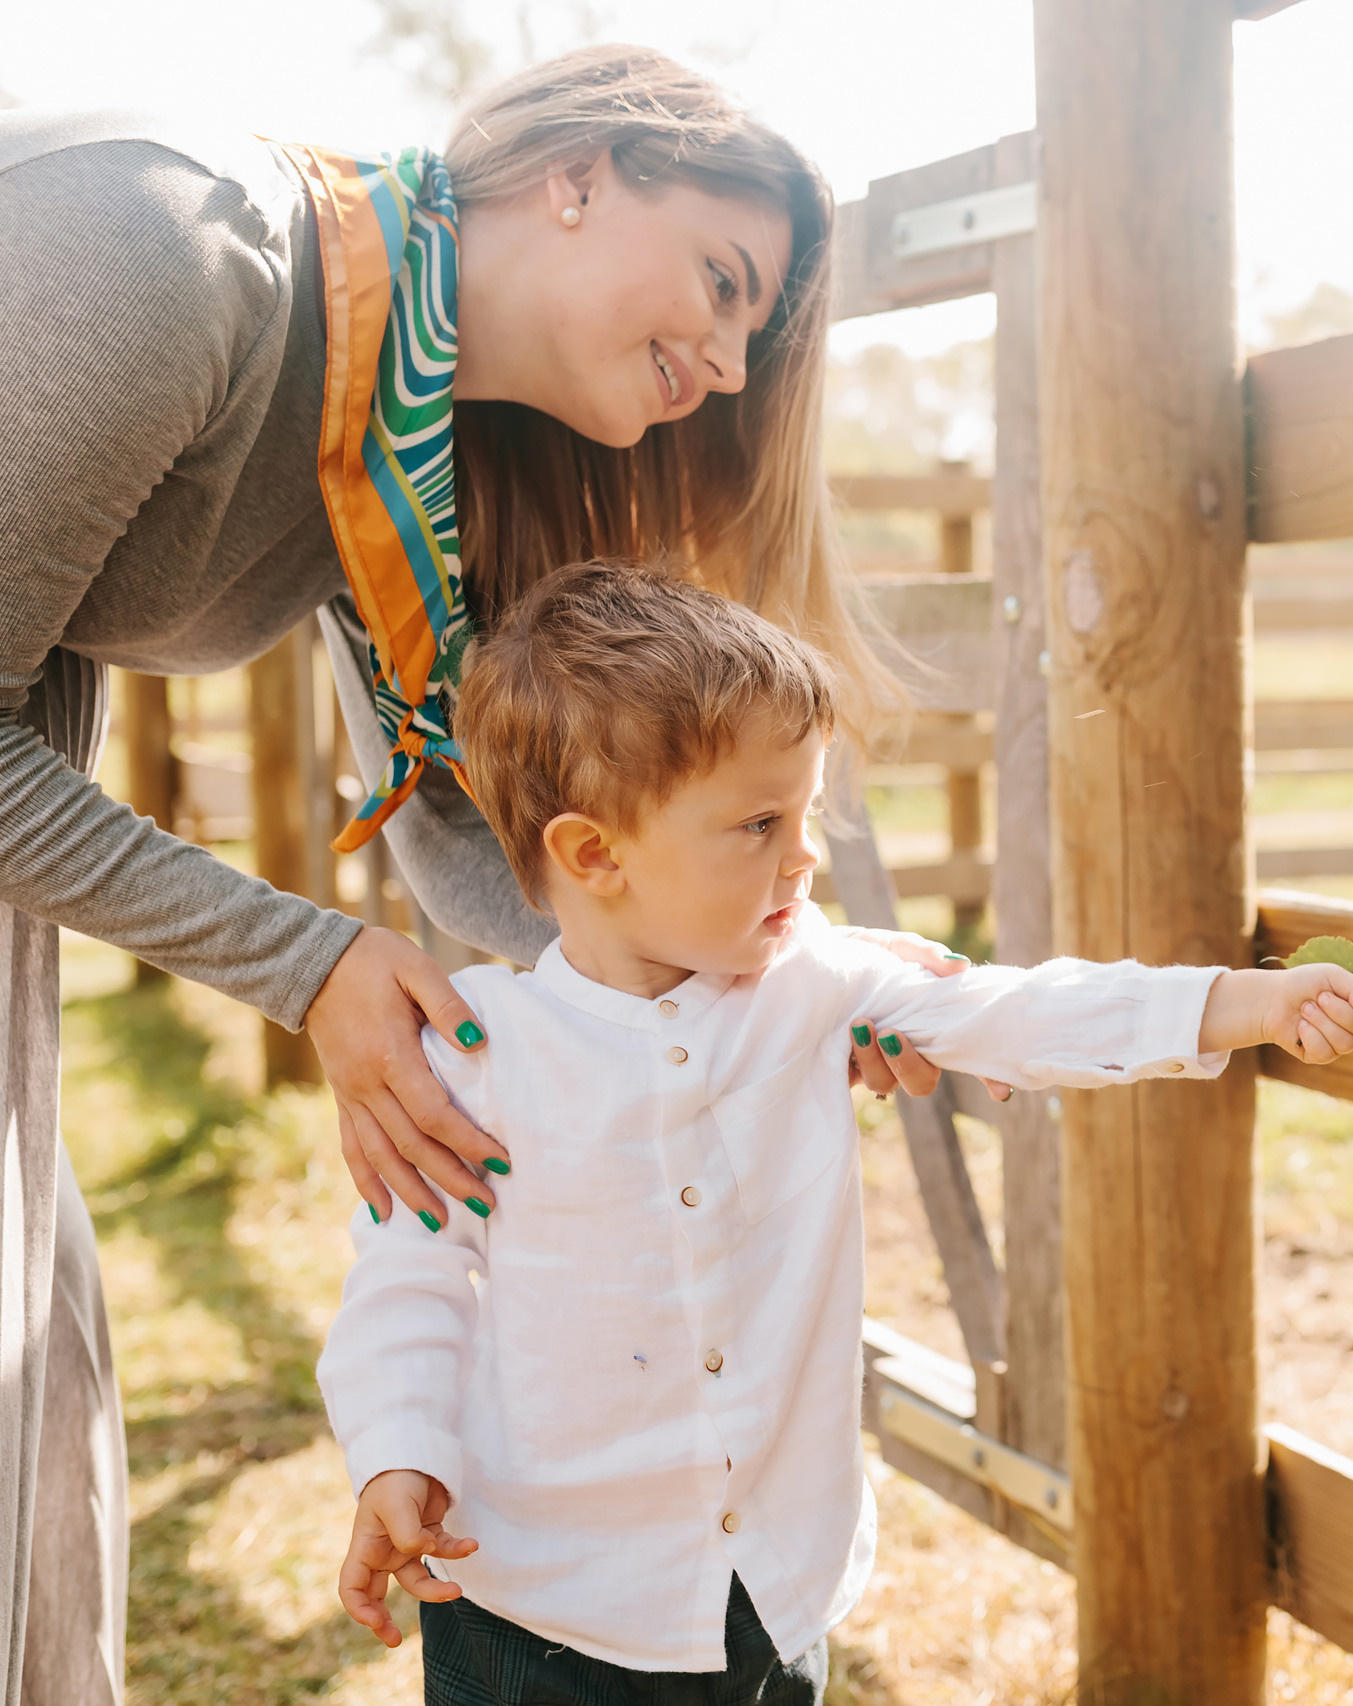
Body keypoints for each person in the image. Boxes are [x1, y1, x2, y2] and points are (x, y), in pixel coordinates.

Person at [0, 47, 952, 1699]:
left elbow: (488, 845)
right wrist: (305, 963)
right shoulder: (183, 252)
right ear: (573, 175)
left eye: (749, 339)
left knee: (29, 1329)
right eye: (723, 287)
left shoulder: (405, 427)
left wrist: (753, 977)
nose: (728, 367)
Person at [315, 565, 1353, 1699]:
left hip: (769, 1589)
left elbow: (1017, 1009)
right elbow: (409, 1278)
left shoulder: (817, 981)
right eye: (760, 822)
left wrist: (1247, 1001)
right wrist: (397, 1450)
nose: (805, 855)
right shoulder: (477, 1054)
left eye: (808, 812)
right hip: (539, 1606)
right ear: (595, 855)